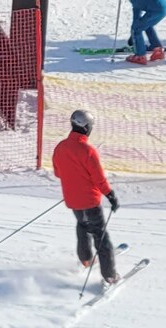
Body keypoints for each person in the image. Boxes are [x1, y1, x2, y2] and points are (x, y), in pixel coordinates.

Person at [50, 109, 120, 285]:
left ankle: (86, 259)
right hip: (89, 201)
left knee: (82, 225)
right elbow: (98, 178)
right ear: (86, 127)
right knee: (99, 235)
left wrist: (74, 181)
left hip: (72, 200)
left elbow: (58, 172)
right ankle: (110, 275)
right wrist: (110, 195)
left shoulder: (60, 147)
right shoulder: (87, 150)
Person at [109, 0, 166, 64]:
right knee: (144, 27)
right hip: (159, 9)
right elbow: (136, 11)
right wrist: (133, 34)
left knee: (138, 29)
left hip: (157, 9)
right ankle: (157, 49)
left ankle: (140, 56)